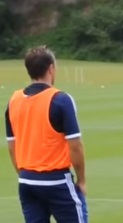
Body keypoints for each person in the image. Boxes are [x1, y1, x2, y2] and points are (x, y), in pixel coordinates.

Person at [4, 45, 88, 223]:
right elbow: (75, 146)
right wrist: (81, 180)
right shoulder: (61, 100)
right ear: (51, 68)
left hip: (27, 182)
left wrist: (25, 175)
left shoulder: (13, 101)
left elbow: (12, 147)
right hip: (56, 181)